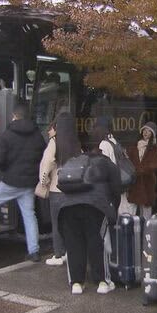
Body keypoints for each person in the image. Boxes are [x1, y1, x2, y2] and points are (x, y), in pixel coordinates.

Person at [54, 113, 122, 295]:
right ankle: (102, 282)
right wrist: (112, 210)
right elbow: (117, 188)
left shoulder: (75, 161)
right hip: (95, 207)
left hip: (66, 208)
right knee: (96, 242)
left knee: (74, 243)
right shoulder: (106, 162)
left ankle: (77, 283)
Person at [0, 104, 46, 263]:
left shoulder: (6, 135)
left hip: (11, 181)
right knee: (29, 214)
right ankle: (34, 251)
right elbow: (42, 157)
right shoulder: (37, 135)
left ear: (14, 116)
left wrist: (6, 171)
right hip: (29, 182)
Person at [38, 119, 67, 266]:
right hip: (71, 189)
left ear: (56, 129)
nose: (48, 131)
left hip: (56, 188)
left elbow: (47, 162)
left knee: (56, 223)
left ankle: (58, 254)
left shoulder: (54, 142)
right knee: (68, 223)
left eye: (51, 128)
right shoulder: (73, 142)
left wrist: (43, 181)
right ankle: (69, 251)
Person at [92, 117, 133, 215]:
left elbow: (103, 169)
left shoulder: (104, 144)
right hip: (119, 184)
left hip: (109, 187)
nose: (94, 131)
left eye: (96, 127)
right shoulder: (114, 141)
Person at [126, 122, 157, 220]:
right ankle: (134, 231)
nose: (145, 133)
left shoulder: (154, 148)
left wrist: (142, 170)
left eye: (148, 131)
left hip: (147, 181)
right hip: (135, 182)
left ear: (152, 134)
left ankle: (146, 232)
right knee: (132, 210)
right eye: (144, 130)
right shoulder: (134, 147)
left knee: (146, 211)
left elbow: (156, 163)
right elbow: (129, 161)